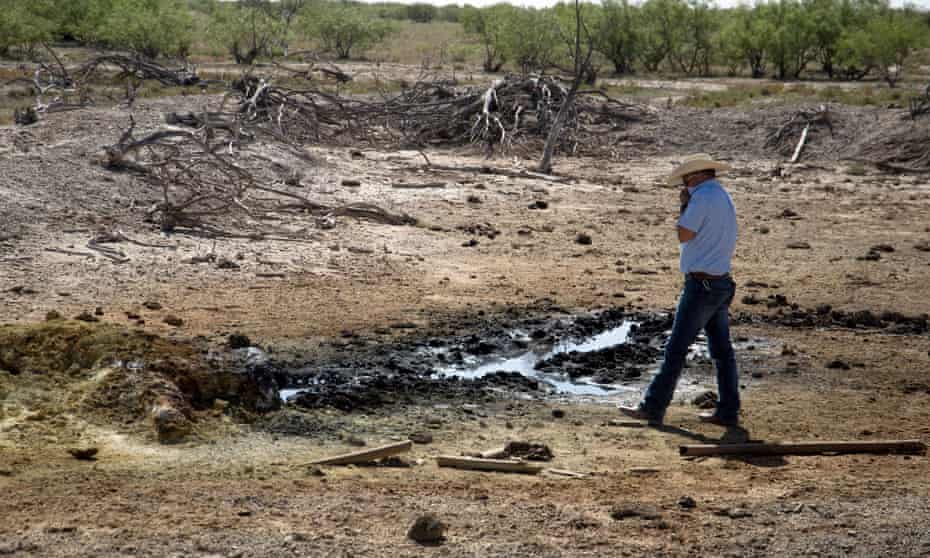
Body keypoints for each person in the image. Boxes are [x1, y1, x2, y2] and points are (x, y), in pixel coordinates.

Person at [619, 154, 740, 427]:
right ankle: (728, 411)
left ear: (695, 176)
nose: (684, 187)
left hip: (702, 285)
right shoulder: (722, 196)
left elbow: (684, 234)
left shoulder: (701, 198)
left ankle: (652, 407)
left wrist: (685, 207)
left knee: (676, 349)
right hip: (721, 281)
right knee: (722, 352)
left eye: (685, 181)